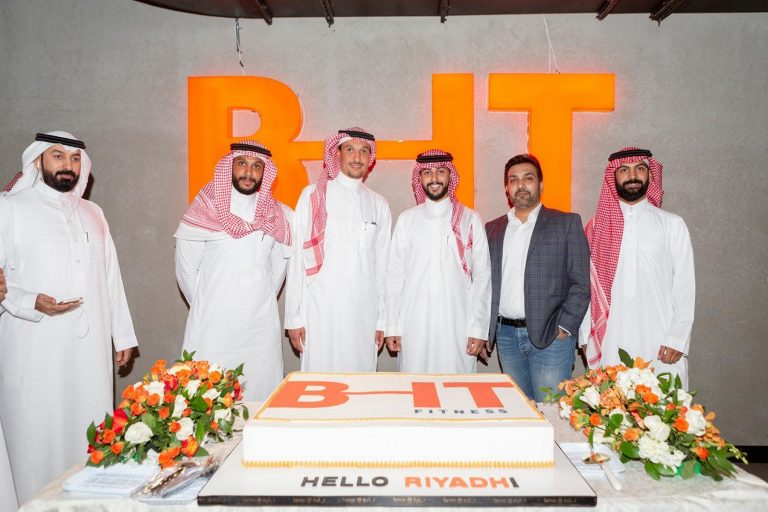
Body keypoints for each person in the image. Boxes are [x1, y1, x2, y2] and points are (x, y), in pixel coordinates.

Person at [0, 131, 138, 502]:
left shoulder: (93, 213)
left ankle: (87, 502)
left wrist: (122, 335)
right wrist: (31, 301)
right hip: (33, 343)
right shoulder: (9, 208)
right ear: (38, 161)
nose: (68, 165)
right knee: (36, 431)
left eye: (75, 158)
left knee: (88, 428)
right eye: (58, 156)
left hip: (89, 348)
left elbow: (110, 276)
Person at [174, 140, 292, 401]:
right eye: (242, 164)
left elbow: (277, 271)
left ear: (265, 172)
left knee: (261, 396)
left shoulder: (277, 216)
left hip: (260, 327)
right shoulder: (204, 210)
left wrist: (256, 300)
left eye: (257, 166)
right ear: (230, 166)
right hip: (213, 325)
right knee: (209, 398)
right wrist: (210, 304)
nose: (248, 172)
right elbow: (186, 271)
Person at [580, 147, 695, 387]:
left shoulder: (672, 224)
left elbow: (685, 287)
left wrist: (677, 339)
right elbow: (586, 288)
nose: (632, 176)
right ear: (613, 177)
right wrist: (585, 336)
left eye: (639, 168)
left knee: (664, 406)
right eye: (624, 170)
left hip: (661, 342)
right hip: (611, 339)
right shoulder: (596, 228)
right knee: (611, 406)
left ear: (650, 175)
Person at [285, 128, 391, 371]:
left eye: (364, 151)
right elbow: (297, 260)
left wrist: (383, 319)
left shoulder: (379, 204)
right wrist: (294, 317)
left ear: (371, 158)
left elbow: (382, 268)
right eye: (350, 149)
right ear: (338, 153)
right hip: (320, 310)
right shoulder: (313, 196)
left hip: (363, 312)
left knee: (360, 381)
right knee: (320, 379)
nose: (357, 157)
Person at [485, 154, 590, 402]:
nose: (521, 185)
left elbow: (581, 282)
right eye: (513, 180)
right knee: (521, 412)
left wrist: (565, 327)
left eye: (528, 178)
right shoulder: (492, 229)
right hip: (506, 337)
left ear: (540, 185)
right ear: (507, 188)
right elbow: (485, 283)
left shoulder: (565, 223)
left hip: (551, 339)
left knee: (552, 411)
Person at [384, 149, 491, 373]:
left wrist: (479, 329)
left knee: (456, 386)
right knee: (414, 386)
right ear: (419, 178)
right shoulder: (407, 220)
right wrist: (392, 325)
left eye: (441, 171)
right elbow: (395, 276)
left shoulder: (470, 219)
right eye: (427, 173)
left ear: (450, 175)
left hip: (458, 325)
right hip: (414, 325)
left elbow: (482, 278)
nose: (434, 178)